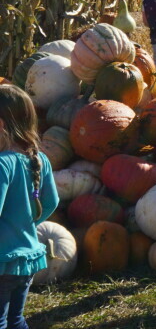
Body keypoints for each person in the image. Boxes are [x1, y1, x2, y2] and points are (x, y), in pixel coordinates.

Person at [0, 85, 59, 329]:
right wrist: (27, 223)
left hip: (3, 261)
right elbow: (51, 202)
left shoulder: (3, 164)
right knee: (15, 320)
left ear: (1, 124)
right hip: (28, 259)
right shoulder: (38, 159)